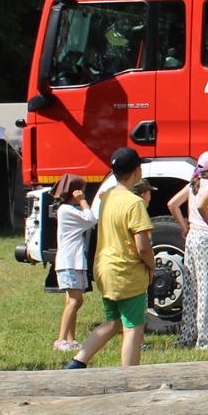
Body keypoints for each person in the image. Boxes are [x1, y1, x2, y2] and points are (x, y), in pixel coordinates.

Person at [65, 148, 156, 369]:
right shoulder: (134, 203)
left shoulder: (107, 198)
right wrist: (152, 266)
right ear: (137, 171)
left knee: (114, 322)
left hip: (105, 269)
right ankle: (129, 378)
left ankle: (78, 362)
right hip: (127, 272)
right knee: (133, 327)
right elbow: (142, 246)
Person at [168, 151, 208, 350]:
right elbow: (203, 205)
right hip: (206, 239)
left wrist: (184, 226)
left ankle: (189, 334)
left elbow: (172, 204)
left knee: (192, 288)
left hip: (192, 237)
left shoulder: (193, 184)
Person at [52, 176, 96, 351]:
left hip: (72, 261)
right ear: (75, 191)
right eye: (82, 190)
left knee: (72, 301)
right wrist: (83, 201)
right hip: (70, 261)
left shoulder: (67, 209)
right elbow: (92, 219)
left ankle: (70, 339)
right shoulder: (66, 210)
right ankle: (60, 340)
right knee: (76, 301)